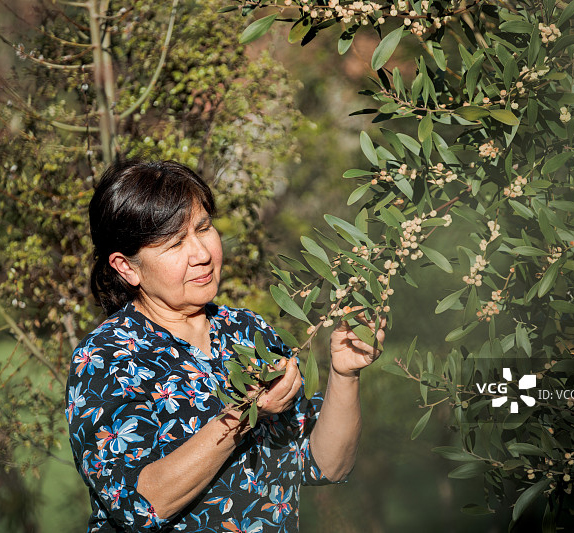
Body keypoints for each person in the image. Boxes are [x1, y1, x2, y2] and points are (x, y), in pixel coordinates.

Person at [66, 159, 384, 532]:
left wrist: (344, 374)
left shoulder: (247, 331)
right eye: (175, 243)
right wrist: (244, 414)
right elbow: (143, 503)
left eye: (204, 228)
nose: (201, 253)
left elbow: (326, 464)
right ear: (127, 267)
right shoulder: (107, 357)